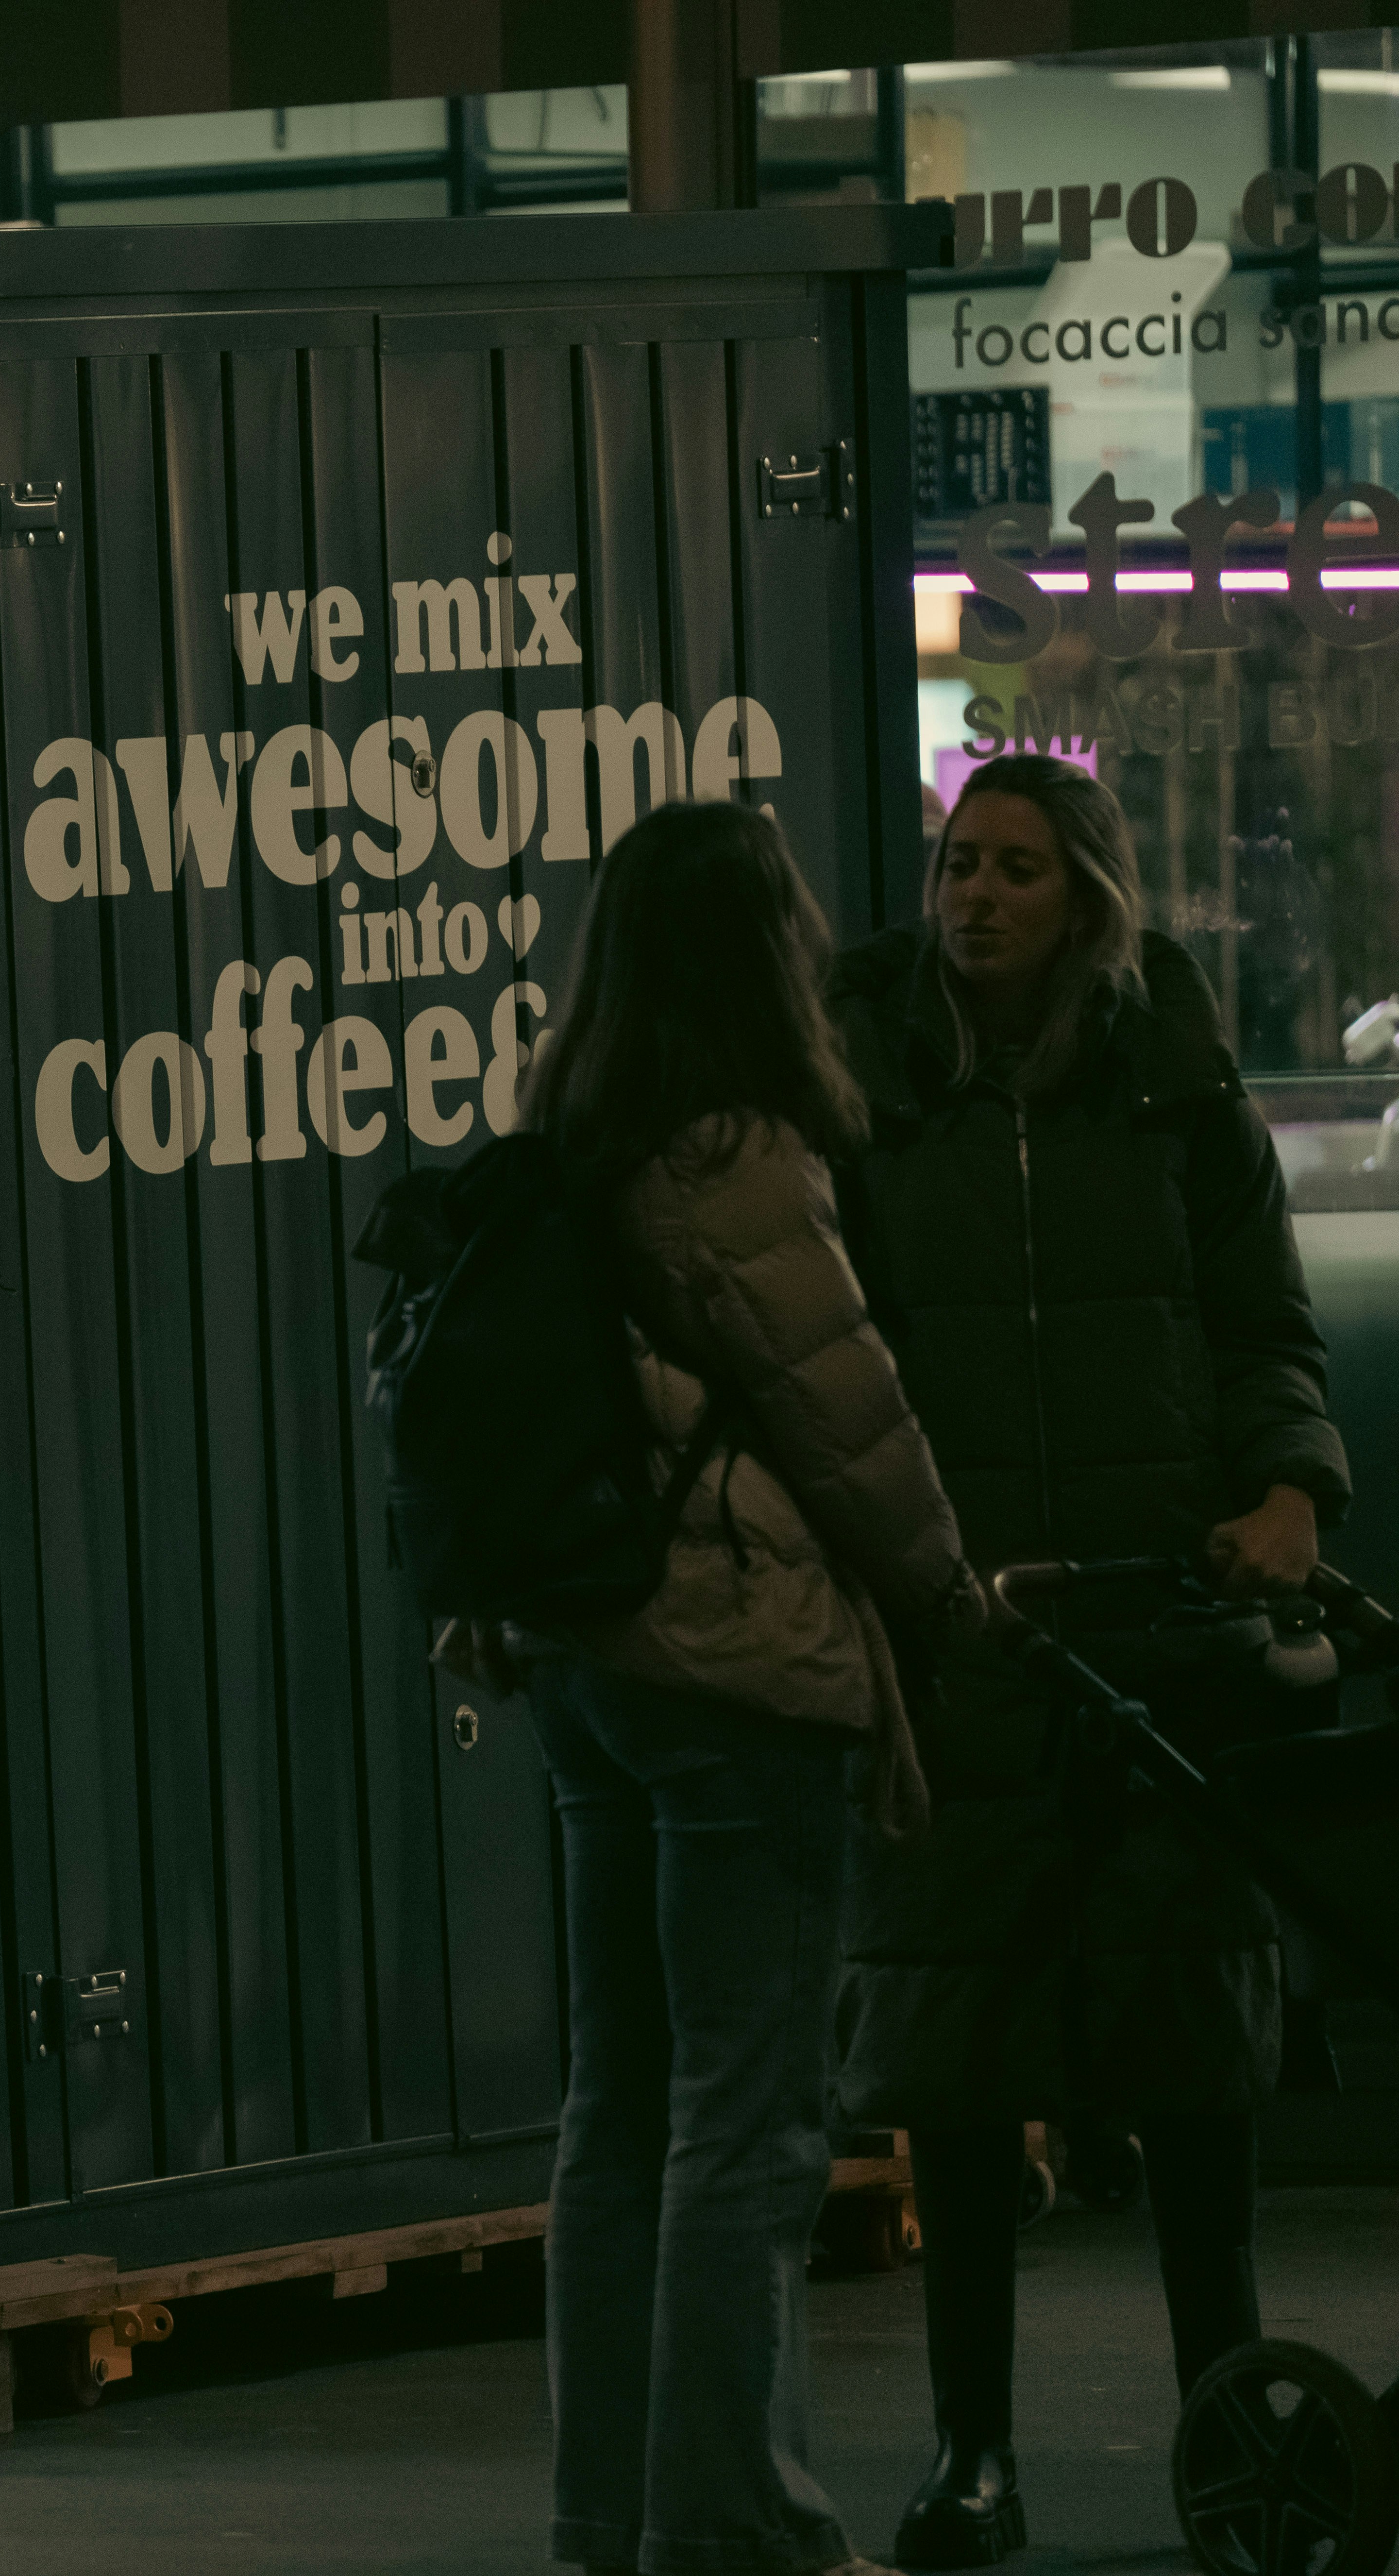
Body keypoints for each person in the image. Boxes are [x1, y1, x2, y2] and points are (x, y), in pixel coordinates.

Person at [828, 752, 1350, 2570]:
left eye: (1015, 872)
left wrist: (1289, 1485)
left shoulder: (1178, 1086)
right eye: (957, 866)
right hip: (969, 1635)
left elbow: (1257, 1320)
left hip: (1164, 1628)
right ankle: (975, 2451)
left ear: (1091, 900)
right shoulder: (871, 1088)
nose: (971, 897)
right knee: (966, 2064)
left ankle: (1227, 2430)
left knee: (1191, 2058)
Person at [492, 799, 990, 2576]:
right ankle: (740, 2525)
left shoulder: (562, 1140)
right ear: (757, 956)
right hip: (737, 1661)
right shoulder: (741, 1158)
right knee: (751, 2117)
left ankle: (609, 2512)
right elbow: (847, 1420)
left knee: (616, 2108)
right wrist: (946, 1596)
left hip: (585, 1665)